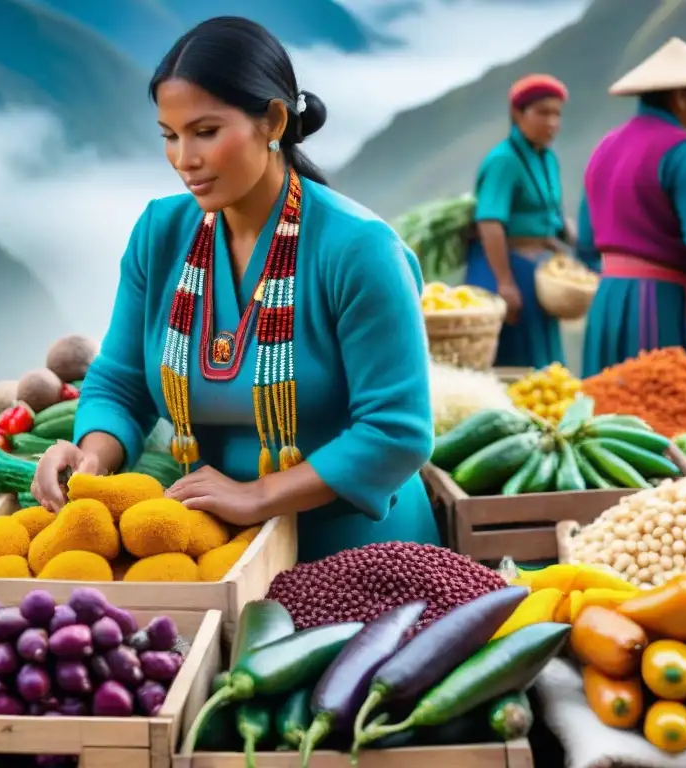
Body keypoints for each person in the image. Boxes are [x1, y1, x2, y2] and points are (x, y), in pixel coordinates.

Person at [29, 16, 438, 563]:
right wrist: (92, 456)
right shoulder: (161, 233)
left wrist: (260, 495)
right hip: (211, 549)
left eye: (205, 132)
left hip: (359, 555)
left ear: (271, 119)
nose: (184, 159)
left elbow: (397, 431)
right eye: (170, 136)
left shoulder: (359, 250)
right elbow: (122, 382)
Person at [579, 38, 686, 376]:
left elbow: (586, 240)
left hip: (608, 300)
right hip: (657, 301)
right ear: (680, 97)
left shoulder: (604, 148)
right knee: (661, 412)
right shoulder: (682, 150)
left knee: (605, 410)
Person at [465, 74, 573, 369]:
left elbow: (554, 214)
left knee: (543, 359)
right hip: (503, 268)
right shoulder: (504, 161)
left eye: (557, 114)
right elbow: (490, 222)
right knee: (515, 360)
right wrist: (505, 283)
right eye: (542, 113)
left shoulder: (547, 158)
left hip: (537, 269)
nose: (551, 122)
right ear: (518, 114)